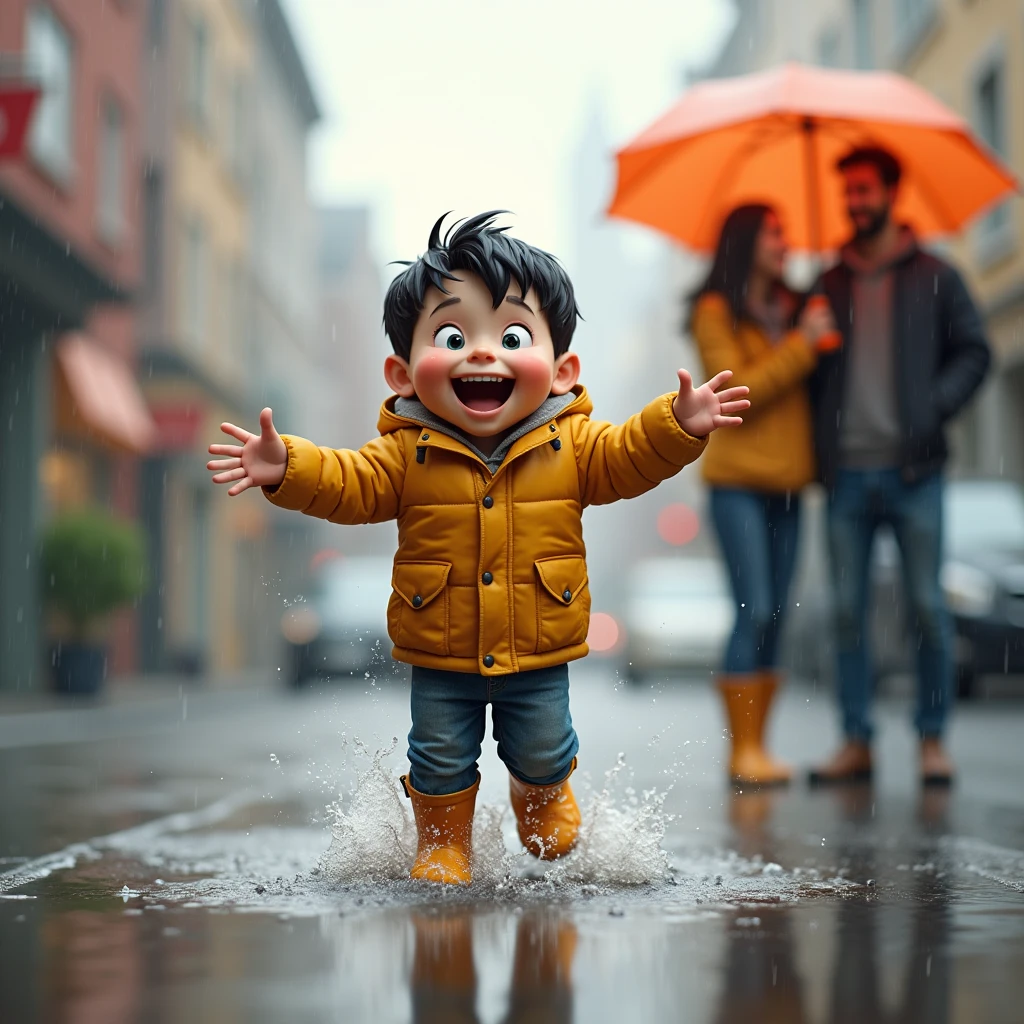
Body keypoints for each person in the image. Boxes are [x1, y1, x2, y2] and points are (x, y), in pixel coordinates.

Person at [207, 212, 749, 884]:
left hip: (539, 639)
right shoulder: (406, 452)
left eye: (513, 335)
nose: (483, 353)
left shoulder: (573, 448)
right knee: (437, 753)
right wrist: (288, 466)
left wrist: (676, 426)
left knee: (545, 743)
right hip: (441, 641)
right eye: (453, 335)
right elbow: (349, 481)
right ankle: (442, 842)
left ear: (561, 370)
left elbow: (629, 454)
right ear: (402, 374)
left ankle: (541, 795)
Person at [810, 147, 991, 786]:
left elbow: (976, 352)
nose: (854, 202)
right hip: (847, 476)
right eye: (847, 193)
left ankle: (931, 740)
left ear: (891, 191)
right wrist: (808, 337)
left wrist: (933, 408)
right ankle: (856, 739)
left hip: (916, 473)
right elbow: (807, 372)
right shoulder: (826, 285)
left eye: (864, 190)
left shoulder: (938, 275)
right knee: (846, 612)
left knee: (925, 609)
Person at [690, 205, 836, 786]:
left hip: (790, 484)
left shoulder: (801, 307)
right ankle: (741, 751)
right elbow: (738, 392)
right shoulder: (714, 311)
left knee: (777, 615)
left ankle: (759, 746)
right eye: (776, 232)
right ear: (747, 240)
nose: (786, 241)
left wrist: (820, 330)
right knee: (753, 608)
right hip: (736, 483)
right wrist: (803, 346)